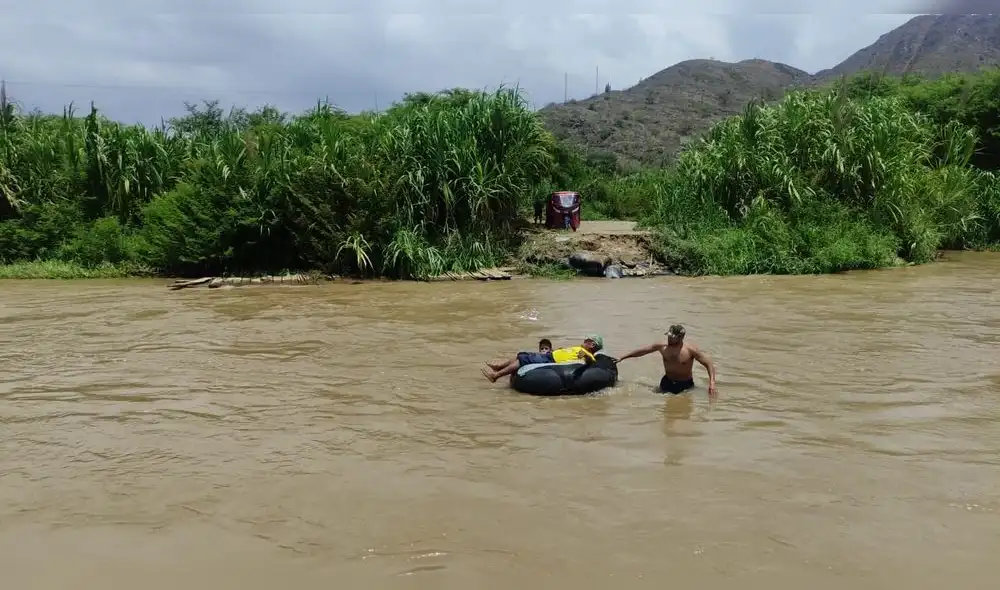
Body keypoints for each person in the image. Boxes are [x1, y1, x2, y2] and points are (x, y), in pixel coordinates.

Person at [615, 324, 717, 398]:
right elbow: (642, 351)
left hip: (684, 386)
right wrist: (622, 357)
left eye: (672, 337)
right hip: (666, 382)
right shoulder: (662, 346)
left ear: (681, 337)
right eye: (668, 336)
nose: (669, 339)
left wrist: (712, 383)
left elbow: (708, 363)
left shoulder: (690, 350)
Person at [482, 334, 604, 383]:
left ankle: (496, 376)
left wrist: (584, 358)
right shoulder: (580, 349)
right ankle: (499, 366)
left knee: (523, 359)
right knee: (521, 354)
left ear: (592, 345)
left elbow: (589, 363)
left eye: (587, 340)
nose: (584, 341)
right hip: (549, 356)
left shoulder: (587, 355)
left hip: (550, 360)